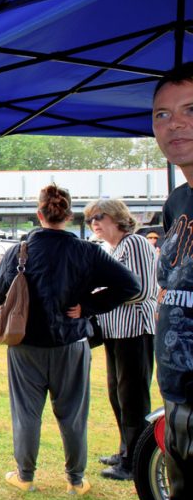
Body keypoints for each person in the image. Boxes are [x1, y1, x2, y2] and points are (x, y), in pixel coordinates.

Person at [0, 184, 137, 496]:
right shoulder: (87, 251)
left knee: (26, 412)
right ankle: (76, 480)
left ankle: (25, 476)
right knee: (73, 414)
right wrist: (89, 307)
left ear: (39, 214)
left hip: (25, 344)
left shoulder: (21, 251)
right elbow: (130, 285)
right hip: (72, 343)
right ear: (68, 216)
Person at [149, 62, 193, 500]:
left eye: (189, 111)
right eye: (162, 114)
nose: (174, 125)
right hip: (179, 401)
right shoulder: (177, 201)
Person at [82, 199, 158, 482]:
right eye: (90, 219)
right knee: (118, 394)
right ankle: (126, 450)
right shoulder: (112, 249)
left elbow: (141, 290)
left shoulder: (135, 244)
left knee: (133, 398)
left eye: (99, 217)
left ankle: (135, 460)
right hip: (115, 330)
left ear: (117, 217)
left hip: (135, 330)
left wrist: (98, 298)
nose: (95, 224)